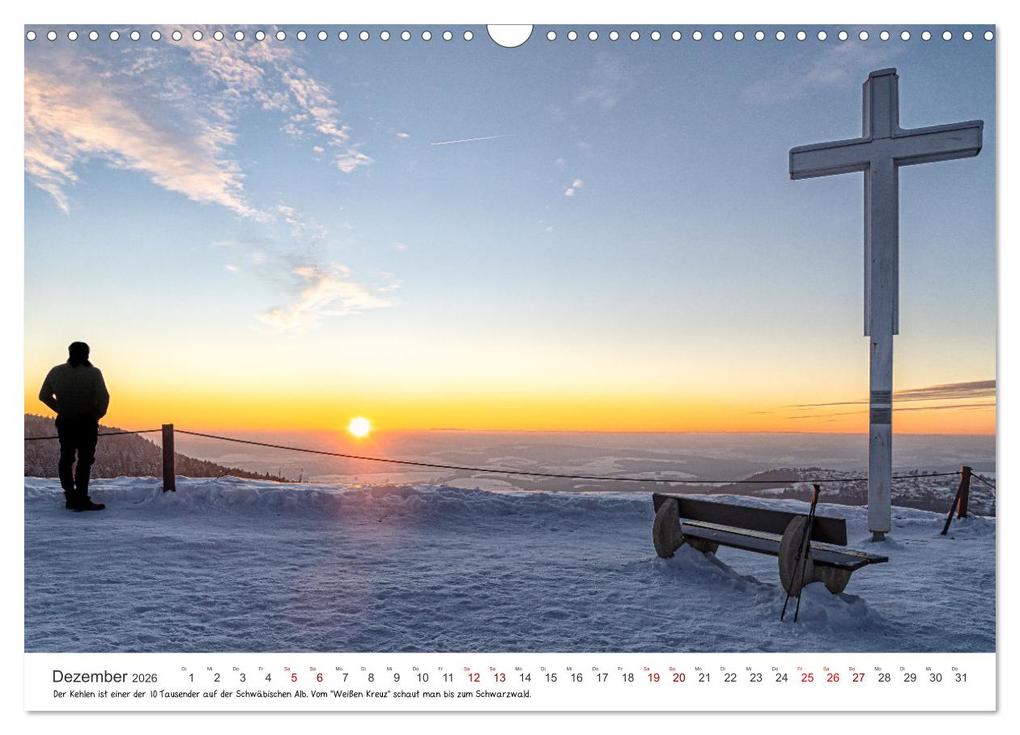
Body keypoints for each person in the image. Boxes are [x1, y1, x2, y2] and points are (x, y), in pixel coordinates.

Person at [38, 342, 110, 511]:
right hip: (87, 423)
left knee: (66, 457)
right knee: (85, 460)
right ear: (87, 354)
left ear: (69, 353)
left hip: (65, 422)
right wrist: (96, 415)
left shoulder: (56, 371)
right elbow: (104, 398)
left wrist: (60, 409)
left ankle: (70, 496)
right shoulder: (93, 373)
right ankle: (82, 497)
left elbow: (43, 395)